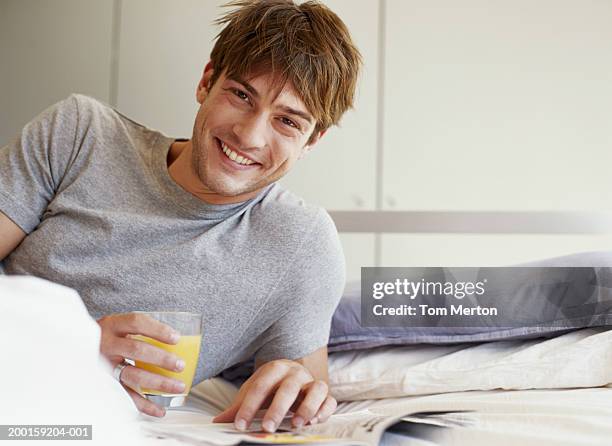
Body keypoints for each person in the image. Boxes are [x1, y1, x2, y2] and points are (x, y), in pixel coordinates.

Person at [0, 0, 361, 433]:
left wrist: (304, 393)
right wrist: (73, 343)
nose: (249, 134)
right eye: (241, 95)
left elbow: (301, 392)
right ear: (207, 81)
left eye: (287, 122)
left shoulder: (301, 243)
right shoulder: (80, 134)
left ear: (312, 141)